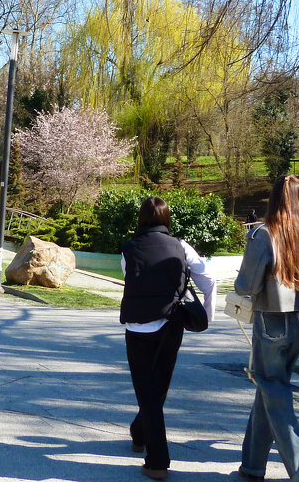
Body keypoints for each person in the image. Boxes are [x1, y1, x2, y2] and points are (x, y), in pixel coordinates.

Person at [120, 196, 215, 480]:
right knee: (158, 386)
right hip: (171, 323)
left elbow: (130, 279)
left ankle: (151, 450)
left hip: (137, 327)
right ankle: (148, 446)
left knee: (147, 390)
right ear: (167, 219)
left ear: (140, 219)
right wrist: (206, 315)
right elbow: (208, 280)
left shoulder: (128, 249)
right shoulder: (181, 246)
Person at [235, 174, 299, 482]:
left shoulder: (263, 233)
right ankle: (252, 464)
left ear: (273, 200)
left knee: (274, 390)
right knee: (270, 391)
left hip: (270, 319)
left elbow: (246, 286)